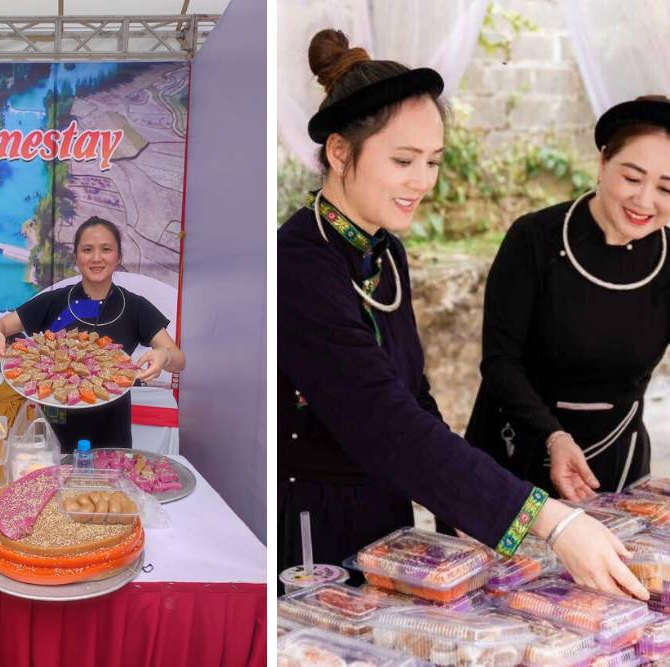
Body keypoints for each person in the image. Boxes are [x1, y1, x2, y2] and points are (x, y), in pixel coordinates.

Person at [278, 29, 648, 600]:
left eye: (433, 161)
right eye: (403, 160)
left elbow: (414, 400)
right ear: (339, 151)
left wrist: (466, 520)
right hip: (314, 538)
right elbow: (383, 419)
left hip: (388, 520)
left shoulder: (384, 249)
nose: (422, 181)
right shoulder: (300, 264)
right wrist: (550, 521)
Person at [465, 96, 670, 506]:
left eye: (666, 187)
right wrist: (553, 437)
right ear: (603, 163)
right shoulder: (534, 239)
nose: (644, 200)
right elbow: (500, 361)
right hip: (511, 452)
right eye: (632, 177)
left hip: (614, 466)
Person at [0, 216, 185, 453]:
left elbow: (179, 360)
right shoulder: (54, 301)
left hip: (111, 436)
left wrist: (163, 355)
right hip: (51, 435)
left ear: (118, 257)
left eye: (106, 249)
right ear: (77, 257)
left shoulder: (133, 307)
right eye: (87, 250)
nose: (97, 258)